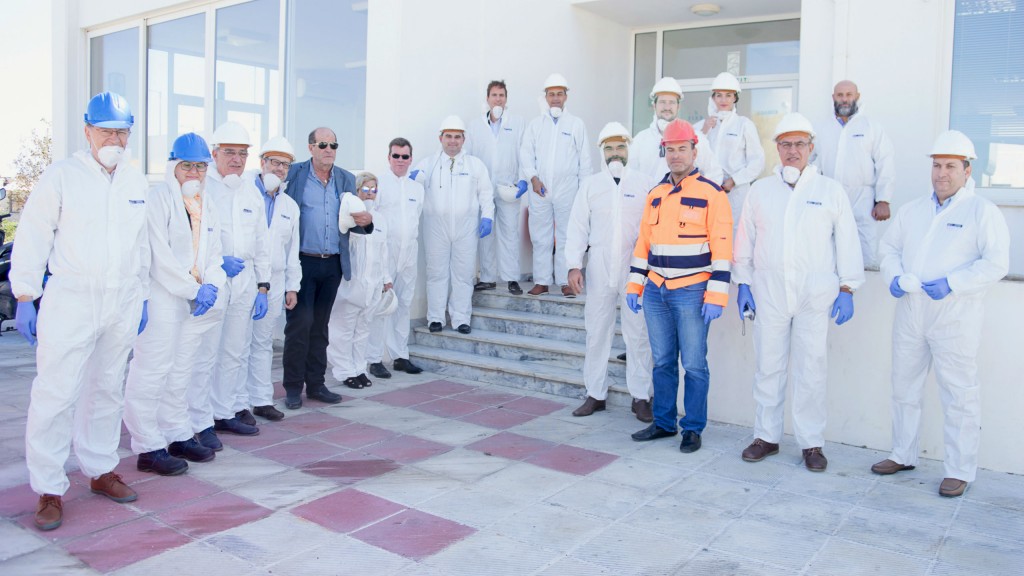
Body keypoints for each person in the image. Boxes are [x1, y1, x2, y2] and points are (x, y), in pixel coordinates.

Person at [12, 92, 149, 530]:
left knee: (108, 387)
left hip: (121, 300)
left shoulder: (134, 181)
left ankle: (100, 468)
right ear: (87, 131)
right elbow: (33, 233)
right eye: (106, 129)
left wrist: (141, 295)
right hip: (71, 299)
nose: (115, 138)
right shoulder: (62, 176)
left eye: (122, 131)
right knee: (56, 392)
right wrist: (25, 295)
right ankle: (49, 488)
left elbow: (139, 244)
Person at [873, 130, 1009, 498]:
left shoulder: (982, 212)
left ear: (967, 171)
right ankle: (903, 453)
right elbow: (888, 248)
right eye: (936, 166)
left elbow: (996, 263)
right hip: (912, 310)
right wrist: (894, 276)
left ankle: (960, 469)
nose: (941, 173)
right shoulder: (913, 209)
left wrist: (954, 282)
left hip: (955, 316)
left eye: (950, 166)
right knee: (904, 385)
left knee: (959, 392)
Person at [733, 112, 864, 472]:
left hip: (814, 294)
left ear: (811, 148)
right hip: (769, 291)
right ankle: (766, 437)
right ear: (776, 148)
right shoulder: (761, 190)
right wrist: (742, 282)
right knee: (768, 366)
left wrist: (847, 286)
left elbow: (848, 242)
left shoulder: (829, 191)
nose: (793, 151)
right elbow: (745, 239)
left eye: (800, 144)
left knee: (811, 369)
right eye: (786, 144)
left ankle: (811, 443)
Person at [624, 120, 733, 453]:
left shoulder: (712, 194)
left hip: (691, 291)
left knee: (695, 364)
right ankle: (664, 422)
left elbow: (723, 247)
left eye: (681, 149)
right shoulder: (655, 194)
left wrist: (716, 295)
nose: (675, 156)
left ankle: (693, 429)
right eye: (670, 150)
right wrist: (635, 284)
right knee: (662, 362)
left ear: (694, 151)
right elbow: (645, 242)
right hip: (656, 289)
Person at [124, 133, 225, 476]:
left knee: (181, 369)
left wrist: (211, 284)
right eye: (187, 166)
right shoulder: (158, 199)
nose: (194, 173)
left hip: (192, 297)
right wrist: (192, 289)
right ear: (173, 167)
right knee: (152, 370)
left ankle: (177, 433)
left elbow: (213, 251)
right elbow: (159, 257)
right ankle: (147, 445)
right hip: (164, 296)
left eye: (200, 166)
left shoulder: (205, 203)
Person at [566, 122, 656, 423]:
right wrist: (573, 265)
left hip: (635, 269)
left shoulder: (645, 184)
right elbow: (578, 226)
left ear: (628, 149)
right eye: (609, 148)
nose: (614, 153)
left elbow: (653, 229)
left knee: (638, 334)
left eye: (620, 147)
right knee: (596, 332)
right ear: (601, 151)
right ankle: (595, 394)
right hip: (600, 266)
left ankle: (641, 397)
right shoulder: (591, 185)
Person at [283, 127, 372, 409]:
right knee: (299, 326)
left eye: (333, 144)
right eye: (322, 144)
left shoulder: (345, 178)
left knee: (321, 327)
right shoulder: (294, 174)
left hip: (332, 264)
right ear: (310, 147)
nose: (328, 149)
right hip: (302, 262)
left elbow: (354, 222)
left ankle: (317, 385)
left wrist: (366, 221)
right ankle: (293, 388)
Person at [198, 121, 271, 438]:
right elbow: (194, 237)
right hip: (215, 280)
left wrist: (263, 286)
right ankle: (200, 417)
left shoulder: (250, 191)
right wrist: (215, 263)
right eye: (230, 152)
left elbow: (262, 240)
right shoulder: (203, 187)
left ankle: (224, 411)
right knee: (206, 352)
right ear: (214, 153)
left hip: (245, 281)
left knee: (234, 350)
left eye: (243, 154)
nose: (237, 160)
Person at [412, 116, 494, 334]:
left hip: (466, 228)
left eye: (457, 137)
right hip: (435, 227)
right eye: (448, 136)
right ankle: (436, 318)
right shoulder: (428, 164)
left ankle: (460, 319)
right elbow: (413, 186)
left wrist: (488, 216)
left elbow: (486, 193)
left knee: (463, 274)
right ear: (440, 138)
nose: (452, 141)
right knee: (436, 273)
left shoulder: (475, 165)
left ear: (463, 139)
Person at [244, 136, 302, 422]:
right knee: (236, 343)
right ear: (262, 163)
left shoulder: (290, 206)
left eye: (285, 165)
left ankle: (261, 399)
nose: (279, 169)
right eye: (274, 162)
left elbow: (293, 251)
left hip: (277, 283)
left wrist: (293, 286)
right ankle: (234, 403)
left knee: (263, 342)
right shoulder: (244, 193)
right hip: (245, 279)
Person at [519, 73, 591, 297]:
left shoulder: (576, 124)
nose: (556, 98)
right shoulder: (535, 125)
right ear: (546, 97)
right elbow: (525, 154)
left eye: (560, 94)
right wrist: (533, 178)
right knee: (540, 235)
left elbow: (585, 161)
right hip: (540, 189)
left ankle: (564, 280)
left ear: (566, 96)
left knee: (566, 236)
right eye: (552, 94)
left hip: (568, 190)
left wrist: (583, 193)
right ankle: (541, 280)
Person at [813, 80, 896, 268]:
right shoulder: (821, 128)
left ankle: (863, 293)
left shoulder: (870, 127)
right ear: (833, 98)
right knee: (827, 247)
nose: (844, 99)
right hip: (829, 196)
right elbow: (809, 161)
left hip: (862, 198)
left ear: (857, 96)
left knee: (864, 249)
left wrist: (884, 199)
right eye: (840, 95)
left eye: (849, 95)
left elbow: (886, 161)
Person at [366, 138, 425, 378]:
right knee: (381, 307)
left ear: (411, 159)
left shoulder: (417, 189)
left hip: (408, 255)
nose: (400, 161)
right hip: (385, 255)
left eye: (405, 156)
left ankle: (400, 356)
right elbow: (372, 219)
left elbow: (415, 220)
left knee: (403, 305)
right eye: (396, 156)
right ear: (389, 157)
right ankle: (374, 358)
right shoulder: (379, 185)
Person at [328, 172, 392, 388]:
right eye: (365, 189)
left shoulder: (380, 219)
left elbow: (383, 251)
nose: (370, 194)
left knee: (363, 327)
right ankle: (344, 371)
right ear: (356, 191)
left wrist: (386, 278)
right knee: (343, 328)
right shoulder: (348, 216)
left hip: (373, 284)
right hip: (351, 283)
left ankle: (359, 368)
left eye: (374, 190)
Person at [466, 80, 528, 296]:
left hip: (508, 187)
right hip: (483, 188)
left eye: (501, 95)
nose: (498, 99)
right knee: (486, 233)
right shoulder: (475, 126)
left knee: (510, 232)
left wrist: (523, 179)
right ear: (487, 98)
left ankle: (511, 278)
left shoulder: (518, 123)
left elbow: (524, 152)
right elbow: (470, 157)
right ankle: (488, 278)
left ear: (506, 98)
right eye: (494, 95)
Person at [693, 72, 765, 228]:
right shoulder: (700, 127)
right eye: (719, 95)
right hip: (707, 191)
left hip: (735, 193)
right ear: (712, 98)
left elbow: (757, 161)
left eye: (728, 95)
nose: (723, 100)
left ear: (735, 98)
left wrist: (735, 180)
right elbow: (691, 157)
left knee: (734, 235)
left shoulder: (744, 125)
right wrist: (704, 132)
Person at [632, 77, 725, 186]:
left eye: (671, 102)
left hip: (684, 202)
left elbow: (714, 173)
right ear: (654, 105)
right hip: (651, 201)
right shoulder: (640, 140)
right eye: (662, 102)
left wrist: (696, 197)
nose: (667, 107)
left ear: (678, 106)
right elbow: (631, 178)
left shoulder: (695, 138)